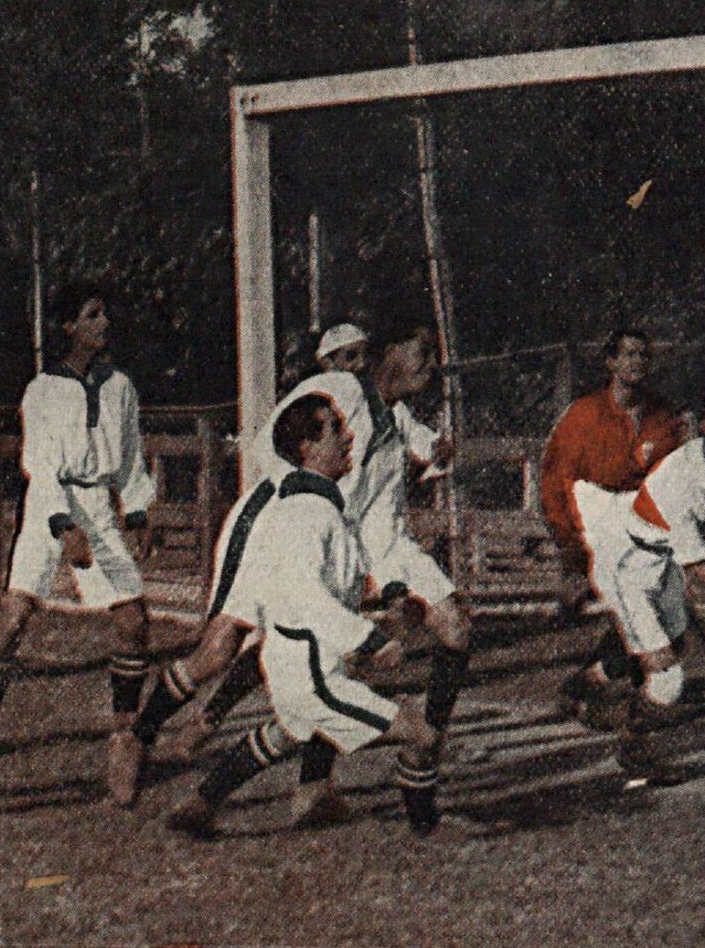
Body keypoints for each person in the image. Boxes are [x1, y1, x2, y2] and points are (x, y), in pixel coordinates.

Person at [127, 317, 467, 832]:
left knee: (321, 668)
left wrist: (390, 584)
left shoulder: (395, 423)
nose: (432, 363)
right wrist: (309, 502)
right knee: (221, 650)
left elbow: (384, 512)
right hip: (272, 522)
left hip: (328, 538)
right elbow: (272, 445)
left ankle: (311, 787)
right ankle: (143, 733)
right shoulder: (338, 391)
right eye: (422, 348)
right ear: (389, 350)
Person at [166, 394, 439, 838]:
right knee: (422, 734)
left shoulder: (322, 506)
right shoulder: (305, 513)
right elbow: (306, 597)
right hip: (310, 669)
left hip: (306, 661)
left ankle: (198, 804)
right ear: (307, 448)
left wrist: (392, 593)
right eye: (336, 429)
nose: (349, 437)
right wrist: (370, 640)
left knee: (288, 732)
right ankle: (427, 829)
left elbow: (342, 576)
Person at [0, 282, 158, 801]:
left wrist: (137, 511)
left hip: (97, 506)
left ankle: (123, 736)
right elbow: (39, 463)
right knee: (13, 620)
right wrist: (62, 526)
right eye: (92, 315)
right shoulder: (43, 389)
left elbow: (131, 454)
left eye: (105, 314)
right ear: (69, 326)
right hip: (48, 507)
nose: (104, 323)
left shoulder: (120, 385)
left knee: (133, 622)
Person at [568, 383, 705, 785]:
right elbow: (702, 571)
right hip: (629, 565)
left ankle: (581, 687)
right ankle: (633, 749)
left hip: (658, 560)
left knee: (665, 643)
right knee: (667, 677)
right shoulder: (684, 478)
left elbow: (703, 525)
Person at [542, 328, 688, 717]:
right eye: (628, 354)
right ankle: (635, 714)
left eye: (643, 355)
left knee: (668, 624)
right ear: (611, 362)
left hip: (645, 522)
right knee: (642, 616)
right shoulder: (583, 415)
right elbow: (554, 483)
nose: (636, 362)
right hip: (599, 520)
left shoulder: (662, 417)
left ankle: (589, 682)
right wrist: (571, 552)